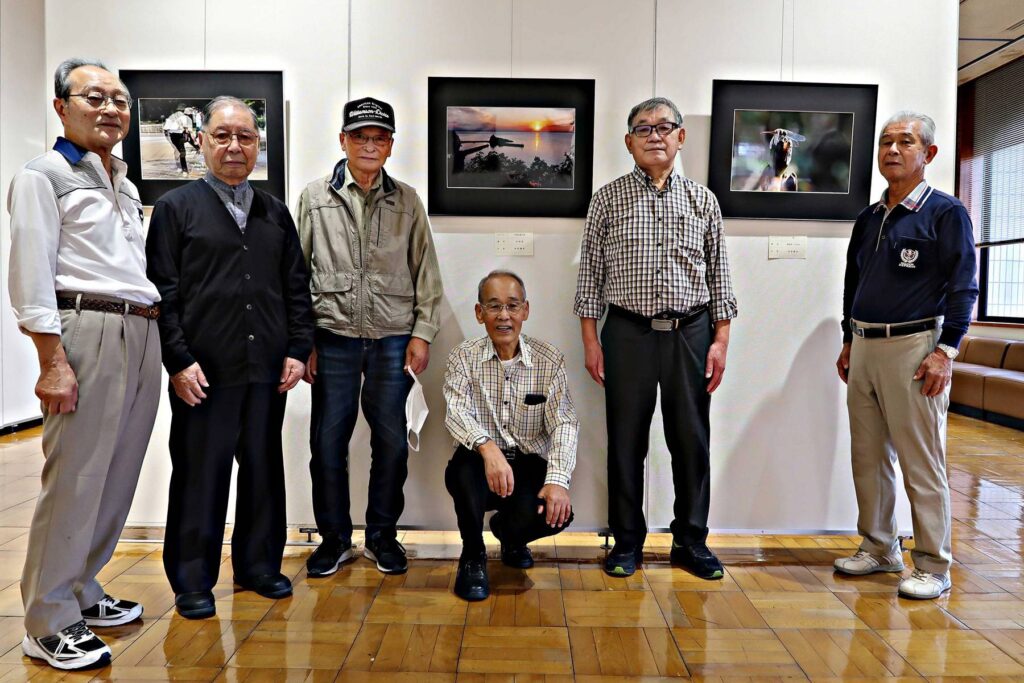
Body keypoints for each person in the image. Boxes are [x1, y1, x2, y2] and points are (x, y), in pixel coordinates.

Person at [8, 58, 161, 671]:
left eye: (120, 99)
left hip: (140, 330)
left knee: (116, 475)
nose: (110, 108)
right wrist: (52, 360)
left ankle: (81, 589)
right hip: (86, 329)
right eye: (93, 96)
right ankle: (46, 619)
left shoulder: (123, 183)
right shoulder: (42, 176)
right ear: (61, 106)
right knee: (75, 477)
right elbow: (31, 273)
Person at [146, 96, 314, 619]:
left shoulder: (274, 211)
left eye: (245, 136)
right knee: (201, 474)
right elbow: (162, 293)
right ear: (202, 142)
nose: (235, 146)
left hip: (266, 369)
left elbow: (296, 288)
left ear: (258, 145)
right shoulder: (177, 209)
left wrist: (297, 348)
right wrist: (177, 360)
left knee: (263, 470)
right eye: (223, 135)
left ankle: (259, 566)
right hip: (204, 372)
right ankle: (192, 579)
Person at [575, 96, 738, 579]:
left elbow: (721, 277)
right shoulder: (607, 199)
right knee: (626, 442)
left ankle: (691, 541)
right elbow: (590, 276)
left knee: (691, 441)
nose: (654, 135)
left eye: (664, 127)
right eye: (643, 129)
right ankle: (626, 542)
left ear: (681, 137)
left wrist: (720, 340)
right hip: (628, 332)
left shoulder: (703, 201)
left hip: (692, 331)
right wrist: (590, 340)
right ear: (628, 142)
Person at [296, 97, 443, 576]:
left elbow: (426, 272)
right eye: (360, 136)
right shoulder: (314, 198)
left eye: (379, 138)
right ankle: (334, 538)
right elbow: (296, 274)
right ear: (343, 140)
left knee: (393, 444)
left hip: (393, 341)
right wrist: (305, 342)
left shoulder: (407, 200)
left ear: (390, 146)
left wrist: (421, 334)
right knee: (327, 444)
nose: (369, 145)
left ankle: (382, 536)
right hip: (332, 338)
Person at [835, 110, 978, 599]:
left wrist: (946, 351)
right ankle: (879, 548)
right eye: (886, 142)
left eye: (905, 142)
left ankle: (934, 564)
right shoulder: (869, 218)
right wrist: (848, 338)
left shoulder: (945, 212)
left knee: (922, 462)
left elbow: (964, 288)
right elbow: (854, 283)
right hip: (865, 346)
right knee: (868, 456)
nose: (892, 150)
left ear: (929, 154)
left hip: (916, 349)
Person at [443, 271, 578, 601]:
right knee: (462, 470)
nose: (504, 315)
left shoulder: (549, 360)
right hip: (480, 465)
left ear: (525, 310)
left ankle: (510, 536)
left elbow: (565, 422)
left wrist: (558, 480)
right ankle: (473, 556)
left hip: (528, 465)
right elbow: (455, 412)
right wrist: (488, 450)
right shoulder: (463, 357)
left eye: (512, 306)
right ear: (480, 313)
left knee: (557, 513)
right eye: (494, 306)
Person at [162, 105, 196, 177]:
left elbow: (165, 130)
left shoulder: (171, 118)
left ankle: (182, 168)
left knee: (180, 151)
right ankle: (183, 169)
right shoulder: (181, 117)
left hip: (174, 136)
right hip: (177, 136)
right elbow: (186, 129)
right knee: (181, 152)